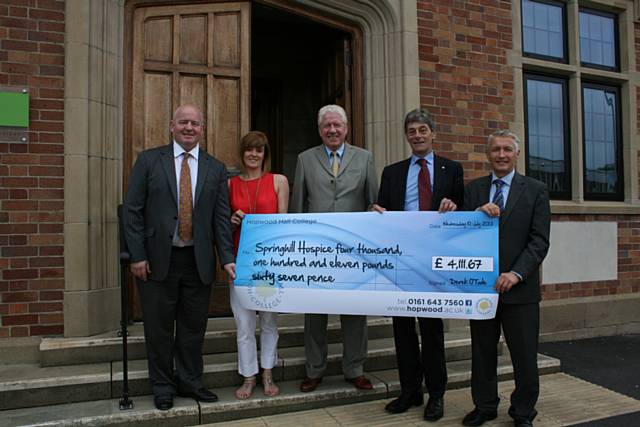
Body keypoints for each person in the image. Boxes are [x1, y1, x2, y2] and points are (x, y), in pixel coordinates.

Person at [123, 104, 236, 411]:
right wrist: (137, 255)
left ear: (203, 129)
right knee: (158, 328)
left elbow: (221, 219)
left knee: (192, 327)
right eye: (183, 122)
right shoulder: (149, 160)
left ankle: (190, 381)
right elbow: (132, 211)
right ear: (171, 126)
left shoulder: (215, 167)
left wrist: (226, 258)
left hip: (197, 261)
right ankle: (162, 386)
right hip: (158, 260)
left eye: (195, 123)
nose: (189, 127)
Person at [371, 107, 463, 422]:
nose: (418, 135)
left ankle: (436, 395)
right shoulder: (392, 172)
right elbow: (382, 210)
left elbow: (462, 215)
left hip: (433, 261)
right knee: (403, 329)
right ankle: (410, 391)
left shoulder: (452, 169)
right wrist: (376, 213)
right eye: (412, 130)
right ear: (407, 136)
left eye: (423, 129)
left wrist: (454, 207)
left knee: (431, 329)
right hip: (400, 260)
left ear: (433, 134)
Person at [461, 130, 550, 427]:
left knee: (524, 357)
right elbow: (457, 233)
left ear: (517, 154)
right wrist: (474, 215)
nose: (501, 154)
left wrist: (516, 273)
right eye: (496, 149)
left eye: (507, 149)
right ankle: (485, 407)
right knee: (482, 353)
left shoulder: (536, 189)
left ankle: (523, 412)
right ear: (488, 154)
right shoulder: (473, 190)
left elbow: (539, 241)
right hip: (482, 289)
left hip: (520, 291)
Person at [290, 104, 378, 392]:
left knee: (355, 312)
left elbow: (372, 203)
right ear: (320, 130)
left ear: (346, 128)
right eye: (327, 126)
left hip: (354, 250)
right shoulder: (305, 159)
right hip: (316, 250)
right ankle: (314, 370)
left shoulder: (365, 158)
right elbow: (297, 205)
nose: (332, 130)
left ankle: (355, 368)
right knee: (315, 313)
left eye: (337, 125)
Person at [228, 131, 289, 399]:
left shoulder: (279, 181)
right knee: (244, 323)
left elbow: (284, 224)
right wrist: (231, 220)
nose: (254, 155)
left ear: (266, 154)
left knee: (268, 321)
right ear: (242, 153)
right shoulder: (229, 185)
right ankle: (248, 376)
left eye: (259, 150)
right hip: (240, 261)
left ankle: (267, 372)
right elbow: (221, 224)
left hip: (269, 263)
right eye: (249, 150)